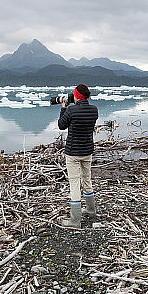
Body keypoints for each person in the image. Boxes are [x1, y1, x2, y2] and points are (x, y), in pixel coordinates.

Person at [57, 83, 98, 228]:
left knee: (75, 183)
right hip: (87, 151)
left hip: (73, 152)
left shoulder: (71, 110)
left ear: (77, 96)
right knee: (87, 180)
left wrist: (63, 108)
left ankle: (75, 221)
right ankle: (91, 210)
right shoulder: (94, 110)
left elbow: (61, 125)